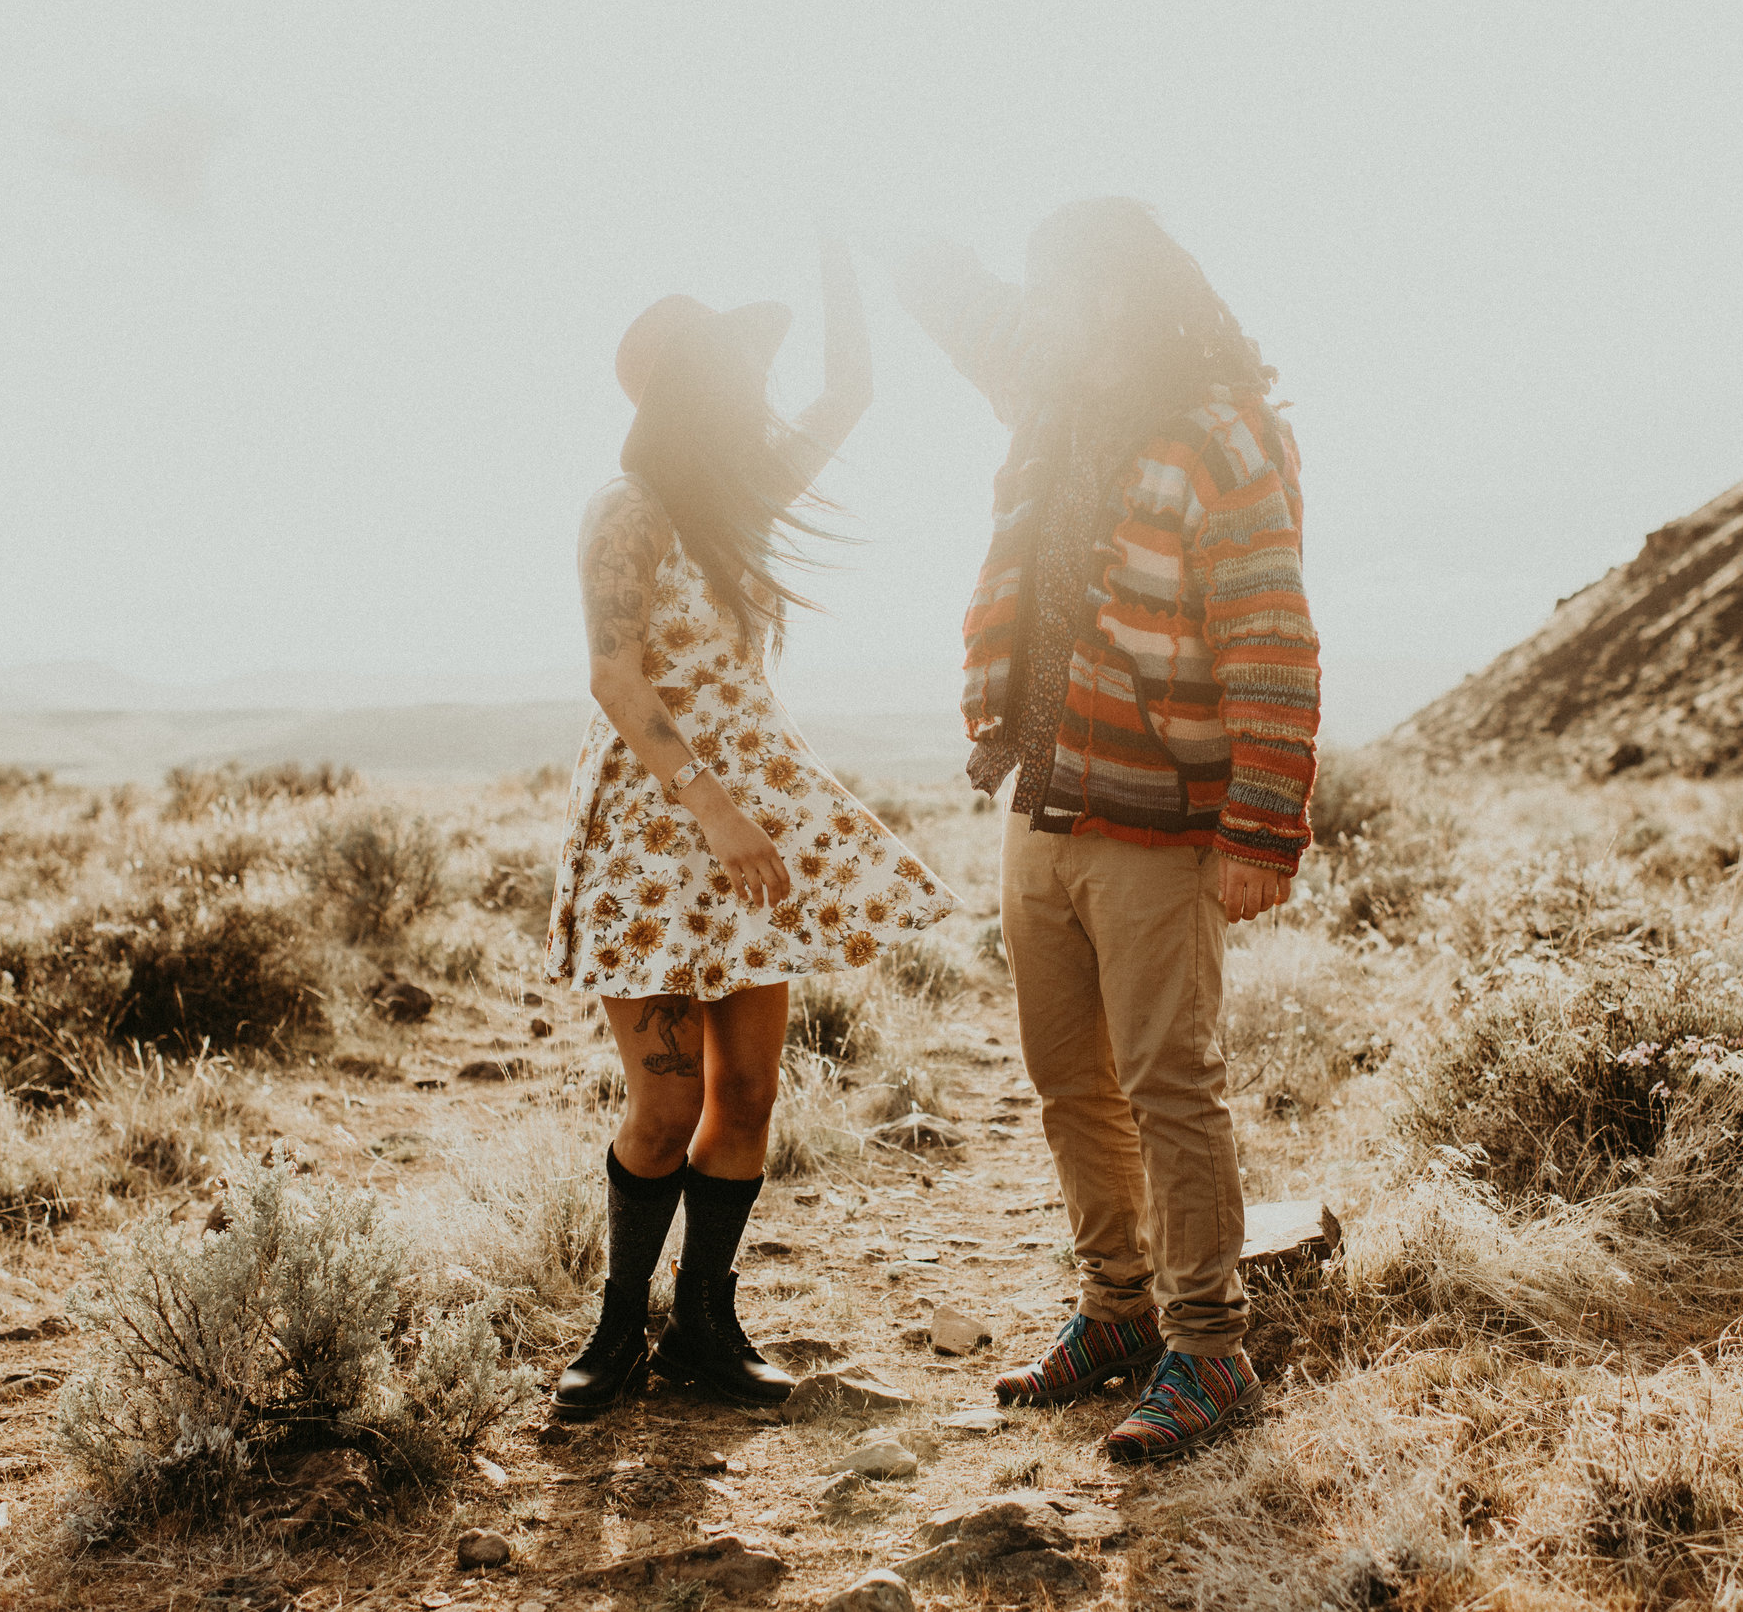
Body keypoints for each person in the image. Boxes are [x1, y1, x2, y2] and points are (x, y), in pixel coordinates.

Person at [892, 198, 1320, 1463]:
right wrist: (882, 223)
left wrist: (1259, 828)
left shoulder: (1221, 440)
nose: (1039, 312)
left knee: (1169, 1087)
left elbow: (1270, 635)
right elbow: (964, 307)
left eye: (1060, 289)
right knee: (1068, 1083)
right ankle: (1115, 1312)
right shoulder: (1050, 392)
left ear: (1118, 298)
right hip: (1043, 797)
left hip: (1158, 819)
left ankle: (1208, 1349)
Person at [545, 238, 960, 1416]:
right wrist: (716, 810)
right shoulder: (624, 510)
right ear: (690, 388)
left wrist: (843, 256)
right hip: (655, 831)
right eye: (728, 368)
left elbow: (852, 393)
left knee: (752, 1094)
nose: (749, 388)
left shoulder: (739, 501)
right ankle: (616, 1332)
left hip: (754, 831)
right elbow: (615, 678)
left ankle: (705, 1330)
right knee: (667, 1102)